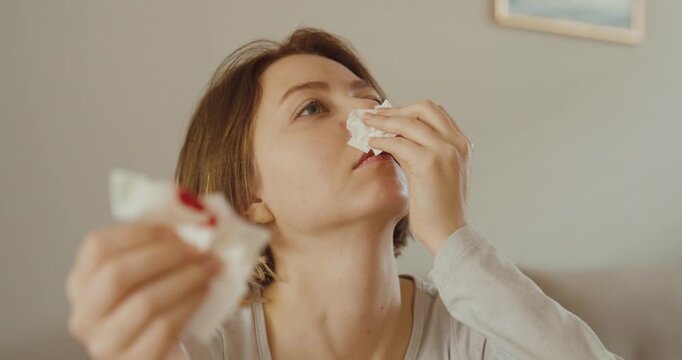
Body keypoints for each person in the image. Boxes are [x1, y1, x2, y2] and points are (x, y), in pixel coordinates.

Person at [66, 27, 623, 359]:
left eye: (371, 98)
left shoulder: (475, 333)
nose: (369, 114)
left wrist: (452, 237)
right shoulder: (204, 347)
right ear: (248, 197)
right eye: (313, 107)